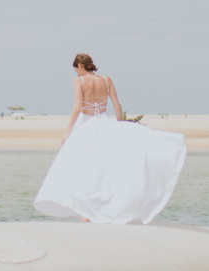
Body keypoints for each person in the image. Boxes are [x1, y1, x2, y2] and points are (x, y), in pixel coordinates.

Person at [33, 53, 186, 224]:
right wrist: (120, 124)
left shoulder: (80, 82)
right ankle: (103, 208)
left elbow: (77, 107)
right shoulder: (107, 80)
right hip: (106, 123)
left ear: (80, 66)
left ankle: (86, 211)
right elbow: (117, 105)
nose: (76, 73)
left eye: (76, 70)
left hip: (87, 126)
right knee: (106, 169)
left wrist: (67, 131)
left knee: (80, 168)